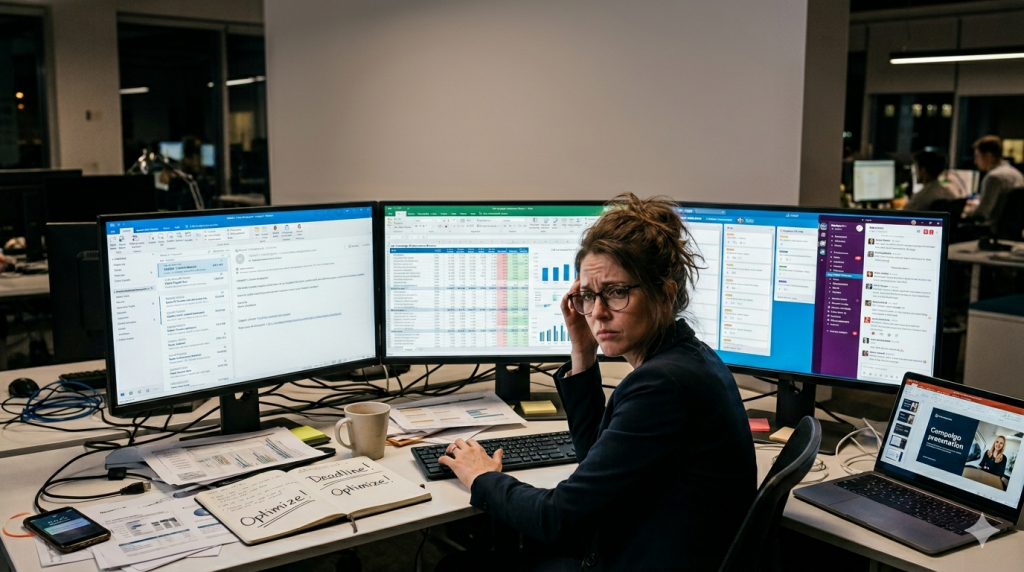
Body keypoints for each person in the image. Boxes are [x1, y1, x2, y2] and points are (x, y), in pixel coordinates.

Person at [436, 194, 757, 571]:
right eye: (588, 296)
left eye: (617, 292)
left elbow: (558, 519)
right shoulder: (689, 357)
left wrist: (482, 478)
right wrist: (583, 350)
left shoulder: (663, 385)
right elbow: (596, 460)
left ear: (665, 293)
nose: (598, 313)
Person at [972, 135, 1024, 225]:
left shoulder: (993, 177)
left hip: (991, 227)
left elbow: (981, 213)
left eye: (977, 156)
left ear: (988, 155)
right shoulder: (1017, 174)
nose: (975, 161)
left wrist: (966, 212)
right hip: (1013, 229)